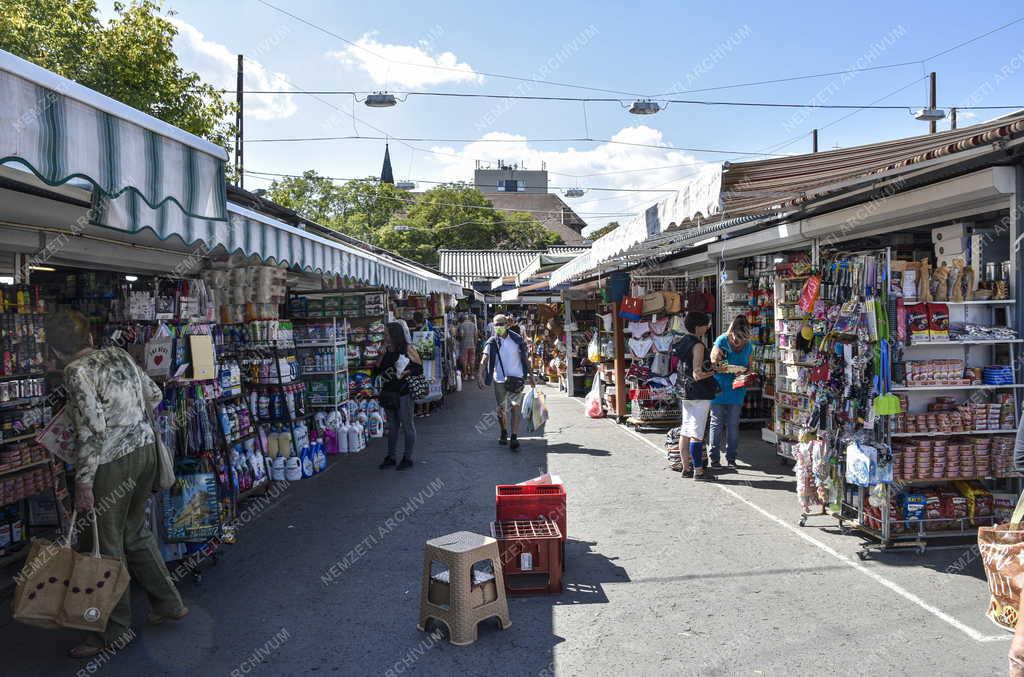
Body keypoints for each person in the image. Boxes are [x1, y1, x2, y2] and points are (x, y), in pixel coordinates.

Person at [45, 310, 187, 659]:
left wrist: (84, 482)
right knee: (134, 533)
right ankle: (168, 602)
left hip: (111, 463)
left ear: (53, 351)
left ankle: (114, 630)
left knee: (106, 546)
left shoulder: (75, 371)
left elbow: (92, 430)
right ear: (90, 339)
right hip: (144, 452)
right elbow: (153, 395)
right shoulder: (118, 354)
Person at [672, 311, 718, 481]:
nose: (707, 327)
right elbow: (697, 374)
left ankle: (685, 468)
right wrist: (715, 371)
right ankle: (698, 471)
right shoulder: (698, 345)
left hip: (685, 392)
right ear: (698, 326)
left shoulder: (683, 341)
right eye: (706, 324)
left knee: (685, 430)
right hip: (699, 393)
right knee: (697, 433)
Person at [478, 313, 531, 451]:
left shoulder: (517, 339)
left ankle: (514, 436)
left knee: (515, 407)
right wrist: (480, 375)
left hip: (517, 378)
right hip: (499, 380)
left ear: (507, 325)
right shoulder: (491, 342)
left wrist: (530, 375)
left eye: (501, 324)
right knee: (502, 409)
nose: (498, 327)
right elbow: (484, 359)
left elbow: (525, 358)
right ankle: (503, 432)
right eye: (496, 324)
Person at [708, 316, 754, 471]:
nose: (738, 342)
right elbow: (714, 363)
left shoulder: (748, 346)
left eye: (742, 339)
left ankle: (731, 458)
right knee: (717, 423)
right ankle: (714, 458)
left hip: (737, 388)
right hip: (719, 387)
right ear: (731, 331)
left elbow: (749, 367)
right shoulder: (722, 341)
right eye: (736, 338)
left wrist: (745, 372)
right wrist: (729, 367)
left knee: (733, 424)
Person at [375, 321, 423, 470]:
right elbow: (378, 370)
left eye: (386, 333)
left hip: (404, 392)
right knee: (393, 426)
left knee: (407, 425)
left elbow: (418, 367)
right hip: (389, 392)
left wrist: (405, 372)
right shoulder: (386, 349)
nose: (385, 336)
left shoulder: (407, 348)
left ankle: (407, 458)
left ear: (394, 334)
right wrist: (381, 356)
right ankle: (391, 457)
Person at [457, 314, 479, 381]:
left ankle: (466, 375)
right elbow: (476, 335)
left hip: (464, 345)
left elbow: (461, 334)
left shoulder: (462, 325)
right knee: (472, 360)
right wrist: (475, 344)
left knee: (464, 360)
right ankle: (472, 375)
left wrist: (459, 338)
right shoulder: (473, 325)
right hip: (472, 345)